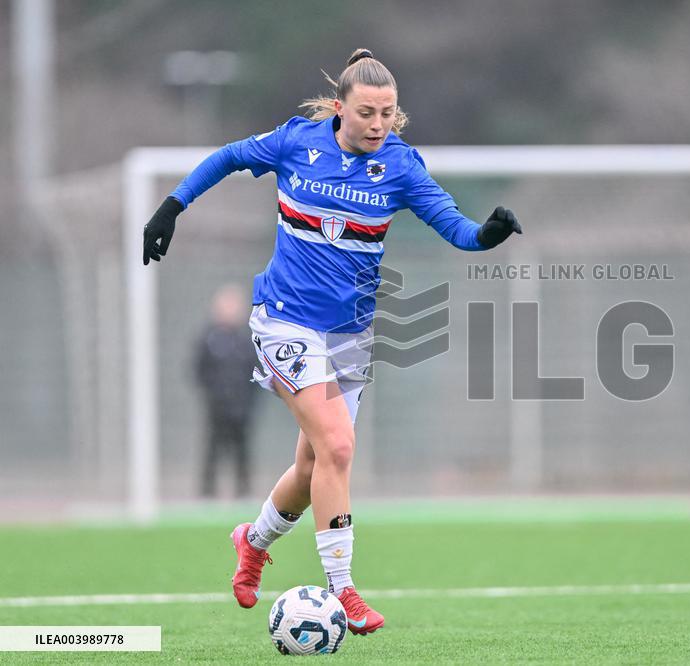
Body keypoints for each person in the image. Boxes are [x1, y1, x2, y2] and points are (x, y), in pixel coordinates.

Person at [142, 48, 521, 635]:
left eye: (388, 114)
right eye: (367, 112)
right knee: (339, 446)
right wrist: (171, 206)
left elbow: (453, 226)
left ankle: (254, 540)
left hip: (350, 333)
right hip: (284, 321)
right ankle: (342, 590)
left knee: (315, 460)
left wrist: (486, 234)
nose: (378, 124)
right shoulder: (298, 142)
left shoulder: (399, 166)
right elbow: (227, 157)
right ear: (340, 108)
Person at [194, 284, 259, 498]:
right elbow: (199, 369)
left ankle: (243, 491)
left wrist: (248, 398)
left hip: (241, 407)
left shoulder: (247, 339)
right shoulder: (209, 338)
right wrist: (214, 393)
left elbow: (256, 371)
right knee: (213, 448)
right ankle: (207, 493)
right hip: (217, 407)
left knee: (242, 450)